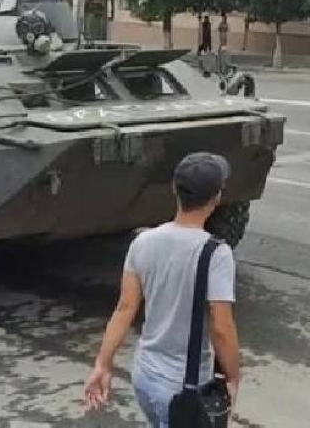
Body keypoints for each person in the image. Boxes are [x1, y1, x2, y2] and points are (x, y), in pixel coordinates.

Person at [84, 152, 240, 427]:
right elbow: (221, 327)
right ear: (216, 198)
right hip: (184, 389)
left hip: (145, 376)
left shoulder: (143, 242)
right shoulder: (216, 254)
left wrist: (103, 364)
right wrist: (233, 377)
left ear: (174, 189)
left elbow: (124, 309)